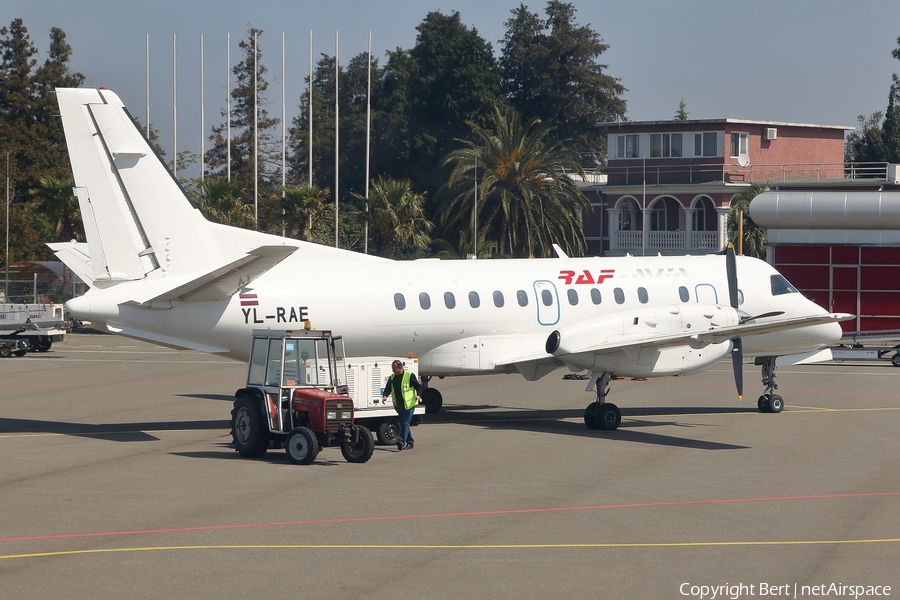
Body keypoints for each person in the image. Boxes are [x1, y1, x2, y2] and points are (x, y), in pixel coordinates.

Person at [381, 359, 422, 451]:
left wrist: (419, 395)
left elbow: (418, 386)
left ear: (400, 368)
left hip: (409, 404)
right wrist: (385, 396)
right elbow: (388, 388)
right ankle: (410, 442)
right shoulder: (392, 377)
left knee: (405, 423)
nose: (393, 371)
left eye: (394, 369)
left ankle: (401, 441)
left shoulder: (409, 375)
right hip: (399, 405)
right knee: (404, 424)